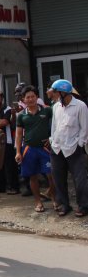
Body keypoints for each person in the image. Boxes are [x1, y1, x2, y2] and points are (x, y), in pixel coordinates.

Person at [48, 79, 88, 217]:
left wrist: (80, 144)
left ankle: (83, 206)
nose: (54, 95)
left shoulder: (80, 106)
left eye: (56, 92)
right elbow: (54, 126)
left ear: (63, 92)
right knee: (58, 178)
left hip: (73, 148)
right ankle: (65, 205)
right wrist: (52, 140)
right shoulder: (56, 107)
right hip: (57, 148)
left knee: (80, 179)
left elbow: (84, 128)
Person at [14, 85, 56, 213]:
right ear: (24, 99)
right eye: (28, 97)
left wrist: (52, 139)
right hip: (28, 149)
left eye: (33, 96)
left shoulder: (47, 111)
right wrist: (18, 152)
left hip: (45, 148)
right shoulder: (21, 115)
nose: (31, 99)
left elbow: (58, 124)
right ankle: (38, 201)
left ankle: (55, 198)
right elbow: (19, 134)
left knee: (51, 175)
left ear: (37, 97)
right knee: (32, 176)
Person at [0, 89, 20, 195]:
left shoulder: (8, 109)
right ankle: (0, 186)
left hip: (7, 140)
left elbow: (5, 122)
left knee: (9, 165)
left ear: (2, 97)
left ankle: (13, 186)